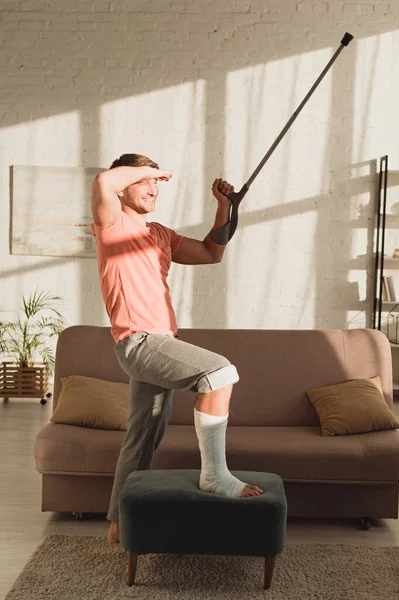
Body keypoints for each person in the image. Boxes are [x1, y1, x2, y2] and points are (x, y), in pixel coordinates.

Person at [91, 153, 263, 544]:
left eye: (157, 183)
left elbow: (211, 252)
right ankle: (215, 476)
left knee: (145, 433)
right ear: (125, 186)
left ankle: (118, 527)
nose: (154, 187)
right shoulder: (111, 225)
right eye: (146, 181)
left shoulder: (161, 234)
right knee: (219, 373)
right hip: (138, 340)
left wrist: (225, 208)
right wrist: (152, 169)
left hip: (162, 343)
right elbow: (103, 182)